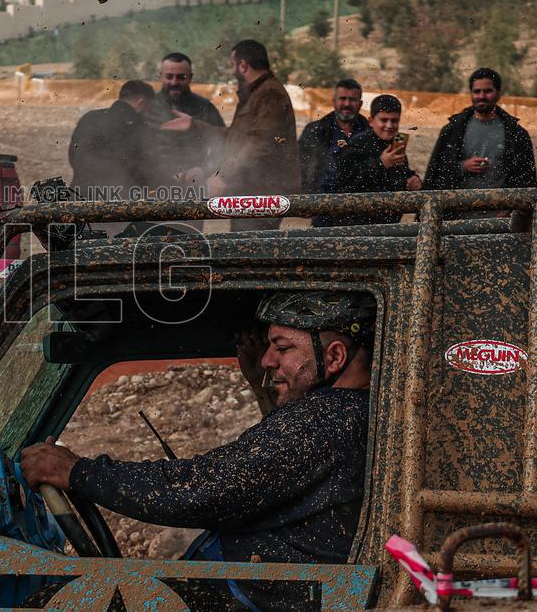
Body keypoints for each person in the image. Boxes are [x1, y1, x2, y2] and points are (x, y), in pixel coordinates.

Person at [21, 290, 373, 610]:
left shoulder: (323, 419)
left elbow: (201, 490)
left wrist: (76, 472)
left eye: (282, 348)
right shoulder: (344, 416)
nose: (267, 360)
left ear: (335, 356)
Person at [204, 40, 300, 232]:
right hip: (253, 189)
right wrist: (195, 126)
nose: (232, 71)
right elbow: (237, 137)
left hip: (263, 192)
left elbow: (260, 143)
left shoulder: (270, 94)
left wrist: (223, 176)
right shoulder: (257, 93)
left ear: (243, 65)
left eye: (233, 65)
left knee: (250, 250)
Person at [423, 67, 537, 217]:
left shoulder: (516, 134)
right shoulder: (452, 130)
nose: (481, 96)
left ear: (498, 93)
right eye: (477, 91)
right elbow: (435, 174)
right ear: (471, 94)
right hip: (457, 219)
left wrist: (510, 210)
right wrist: (463, 166)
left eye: (487, 91)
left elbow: (525, 179)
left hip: (500, 222)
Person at [320, 94, 422, 227]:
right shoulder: (356, 144)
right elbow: (345, 182)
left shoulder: (397, 144)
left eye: (394, 121)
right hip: (356, 226)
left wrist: (412, 180)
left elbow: (400, 174)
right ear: (371, 121)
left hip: (388, 224)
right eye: (384, 120)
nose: (389, 125)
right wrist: (381, 163)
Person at [143, 52, 225, 191]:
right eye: (169, 77)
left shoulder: (205, 107)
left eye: (181, 77)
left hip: (193, 186)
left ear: (190, 77)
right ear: (160, 76)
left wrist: (203, 170)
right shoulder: (146, 107)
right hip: (152, 186)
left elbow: (225, 146)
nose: (174, 82)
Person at [68, 80, 156, 202]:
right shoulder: (140, 127)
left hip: (78, 198)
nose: (148, 114)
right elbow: (146, 171)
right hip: (118, 204)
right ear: (141, 103)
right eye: (149, 108)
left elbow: (74, 156)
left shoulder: (89, 118)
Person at [298, 78, 369, 198]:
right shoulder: (315, 131)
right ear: (334, 101)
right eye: (342, 99)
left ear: (360, 104)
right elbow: (299, 166)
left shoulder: (370, 132)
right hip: (323, 205)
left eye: (352, 100)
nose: (347, 104)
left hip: (360, 205)